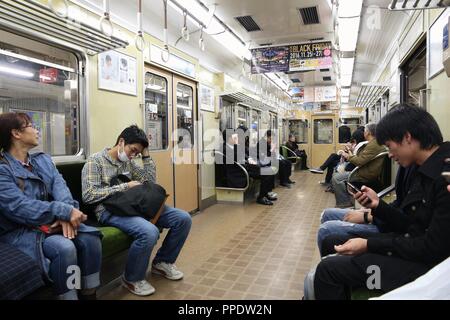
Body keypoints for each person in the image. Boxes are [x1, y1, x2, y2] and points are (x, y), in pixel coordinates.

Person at [304, 104, 450, 300]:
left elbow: (430, 247)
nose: (389, 154)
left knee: (327, 271)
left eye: (390, 146)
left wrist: (369, 245)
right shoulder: (423, 168)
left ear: (407, 137)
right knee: (332, 245)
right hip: (411, 247)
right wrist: (377, 207)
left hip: (425, 270)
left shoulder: (444, 176)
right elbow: (410, 223)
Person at [0, 112, 102, 300]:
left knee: (90, 240)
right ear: (16, 133)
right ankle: (68, 296)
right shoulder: (3, 170)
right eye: (31, 125)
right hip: (21, 230)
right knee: (64, 248)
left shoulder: (42, 160)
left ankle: (88, 293)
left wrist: (67, 214)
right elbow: (18, 207)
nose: (36, 129)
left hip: (51, 222)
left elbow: (60, 186)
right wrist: (63, 212)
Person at [82, 125, 192, 296]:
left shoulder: (129, 162)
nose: (133, 155)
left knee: (183, 219)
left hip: (131, 206)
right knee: (149, 231)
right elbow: (89, 195)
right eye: (132, 150)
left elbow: (149, 181)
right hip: (107, 210)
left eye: (137, 153)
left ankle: (162, 262)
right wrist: (125, 186)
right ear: (121, 141)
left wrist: (146, 156)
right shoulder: (95, 162)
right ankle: (132, 278)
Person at [331, 123, 385, 208]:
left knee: (336, 178)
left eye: (365, 131)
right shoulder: (374, 143)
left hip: (365, 174)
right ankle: (344, 200)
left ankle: (344, 203)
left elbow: (359, 161)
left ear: (368, 133)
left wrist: (347, 156)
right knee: (336, 175)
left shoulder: (373, 145)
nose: (364, 133)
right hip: (366, 170)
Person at [221, 128, 277, 205]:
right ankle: (261, 198)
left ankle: (265, 194)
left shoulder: (236, 146)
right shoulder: (225, 149)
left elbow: (245, 155)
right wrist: (248, 162)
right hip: (238, 172)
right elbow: (236, 160)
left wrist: (249, 159)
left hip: (246, 168)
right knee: (267, 173)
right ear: (229, 138)